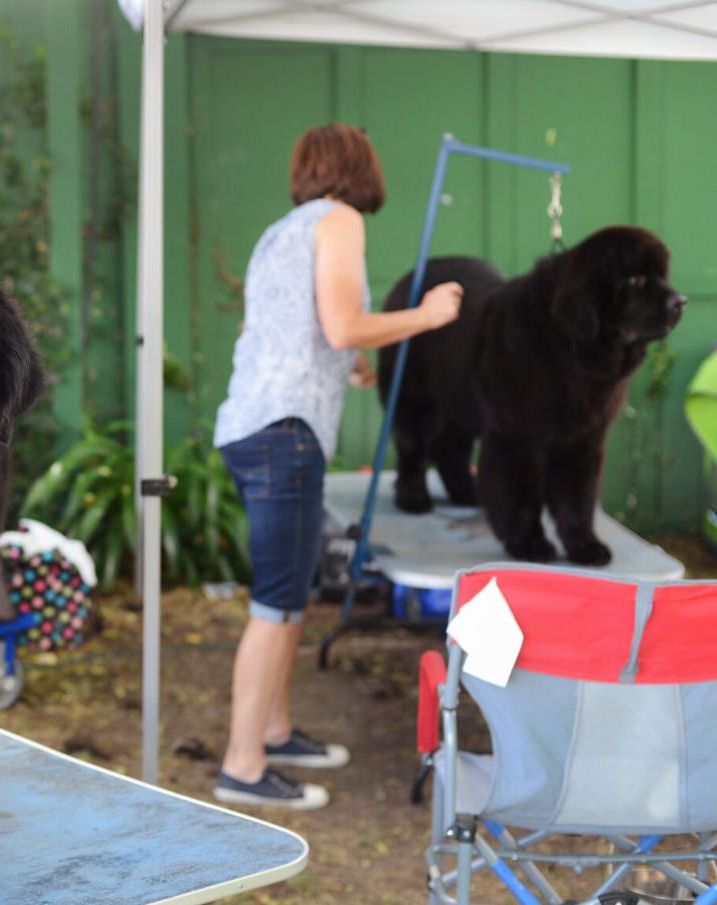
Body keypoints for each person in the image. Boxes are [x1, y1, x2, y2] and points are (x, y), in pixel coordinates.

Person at [211, 123, 462, 810]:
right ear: (358, 169)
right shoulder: (341, 219)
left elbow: (282, 329)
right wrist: (426, 315)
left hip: (254, 426)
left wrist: (343, 364)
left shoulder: (281, 231)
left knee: (288, 596)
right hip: (283, 434)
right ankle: (242, 763)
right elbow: (344, 322)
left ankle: (275, 728)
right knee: (275, 601)